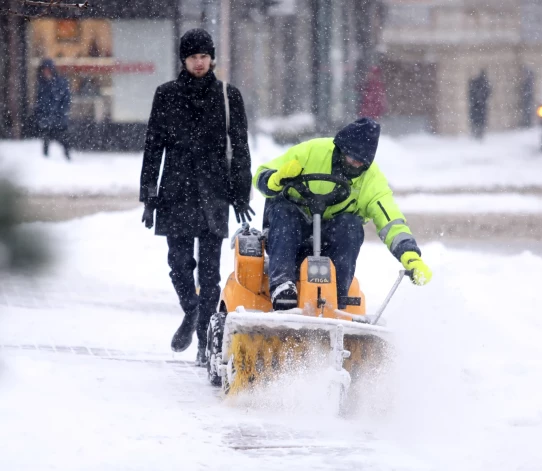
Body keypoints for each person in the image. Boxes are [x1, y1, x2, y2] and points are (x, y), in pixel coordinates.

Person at [139, 29, 254, 365]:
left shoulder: (228, 96)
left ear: (212, 57)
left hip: (213, 192)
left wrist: (239, 193)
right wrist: (149, 196)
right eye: (193, 57)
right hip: (175, 190)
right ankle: (191, 312)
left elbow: (241, 148)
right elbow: (153, 147)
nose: (199, 62)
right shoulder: (166, 95)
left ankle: (205, 340)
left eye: (204, 56)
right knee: (178, 264)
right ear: (183, 60)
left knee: (209, 273)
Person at [253, 117, 432, 311]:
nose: (355, 164)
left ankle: (335, 298)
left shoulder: (371, 180)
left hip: (332, 239)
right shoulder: (311, 152)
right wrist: (275, 179)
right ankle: (282, 286)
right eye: (351, 157)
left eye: (360, 162)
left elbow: (389, 218)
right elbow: (261, 174)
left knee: (351, 224)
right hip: (290, 231)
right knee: (284, 210)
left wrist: (410, 254)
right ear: (340, 149)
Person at [34, 59, 71, 160]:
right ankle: (46, 160)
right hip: (47, 118)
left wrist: (61, 112)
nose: (46, 72)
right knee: (46, 140)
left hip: (58, 118)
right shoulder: (41, 84)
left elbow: (66, 99)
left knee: (63, 139)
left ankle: (67, 158)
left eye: (48, 69)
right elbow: (40, 101)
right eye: (44, 70)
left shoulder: (60, 82)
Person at [468, 70, 491, 140]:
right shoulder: (483, 83)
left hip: (476, 105)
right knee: (480, 120)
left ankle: (476, 133)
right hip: (479, 106)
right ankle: (478, 133)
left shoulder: (476, 83)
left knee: (476, 120)